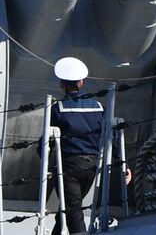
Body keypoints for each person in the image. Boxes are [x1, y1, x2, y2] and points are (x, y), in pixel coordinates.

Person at [49, 57, 104, 234]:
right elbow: (111, 134)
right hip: (92, 166)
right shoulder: (98, 106)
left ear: (61, 84)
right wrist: (122, 162)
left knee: (72, 209)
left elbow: (47, 140)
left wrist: (44, 160)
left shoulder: (58, 108)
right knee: (70, 206)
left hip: (68, 166)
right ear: (81, 82)